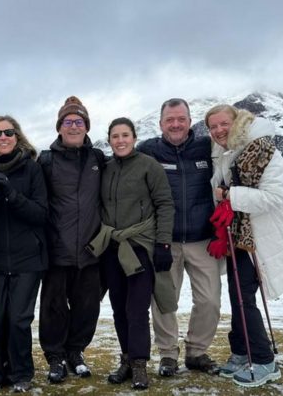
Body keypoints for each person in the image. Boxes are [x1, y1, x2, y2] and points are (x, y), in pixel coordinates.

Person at [205, 105, 283, 387]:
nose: (219, 130)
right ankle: (240, 351)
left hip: (261, 235)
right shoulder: (221, 152)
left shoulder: (262, 149)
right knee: (237, 294)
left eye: (224, 124)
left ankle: (263, 360)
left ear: (237, 122)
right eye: (213, 127)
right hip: (237, 235)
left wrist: (231, 195)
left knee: (244, 296)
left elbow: (276, 196)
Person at [87, 117, 175, 390]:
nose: (120, 140)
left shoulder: (149, 166)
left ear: (134, 137)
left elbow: (165, 204)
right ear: (110, 140)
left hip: (140, 247)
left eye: (125, 135)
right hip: (112, 249)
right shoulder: (106, 168)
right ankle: (125, 359)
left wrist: (163, 244)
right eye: (115, 136)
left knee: (136, 309)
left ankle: (139, 364)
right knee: (117, 309)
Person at [137, 98, 221, 376]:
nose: (176, 124)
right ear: (161, 123)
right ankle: (168, 354)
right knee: (163, 300)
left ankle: (196, 352)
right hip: (165, 241)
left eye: (181, 119)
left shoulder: (207, 147)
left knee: (209, 300)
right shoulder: (147, 150)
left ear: (189, 120)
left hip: (203, 240)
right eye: (170, 120)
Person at [0, 115, 48, 393]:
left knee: (18, 319)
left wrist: (10, 195)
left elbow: (41, 214)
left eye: (8, 132)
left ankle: (21, 373)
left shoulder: (32, 170)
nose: (2, 137)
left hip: (28, 259)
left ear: (17, 136)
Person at [38, 96, 105, 383]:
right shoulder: (45, 160)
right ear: (60, 127)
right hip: (56, 248)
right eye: (68, 122)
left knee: (87, 306)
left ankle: (75, 351)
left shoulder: (99, 159)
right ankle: (55, 357)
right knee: (53, 308)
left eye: (79, 122)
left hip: (91, 249)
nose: (74, 126)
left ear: (87, 127)